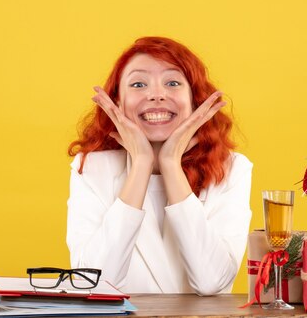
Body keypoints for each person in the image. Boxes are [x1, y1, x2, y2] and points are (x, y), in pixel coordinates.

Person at [66, 37, 252, 295]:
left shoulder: (232, 169)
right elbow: (94, 284)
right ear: (118, 102)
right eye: (139, 84)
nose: (156, 95)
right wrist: (142, 163)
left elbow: (212, 283)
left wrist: (169, 164)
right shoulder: (92, 169)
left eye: (173, 83)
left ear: (194, 100)